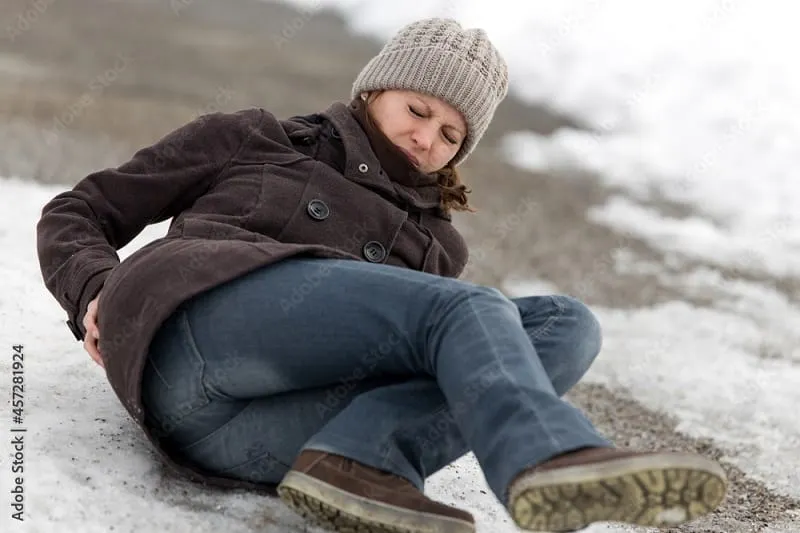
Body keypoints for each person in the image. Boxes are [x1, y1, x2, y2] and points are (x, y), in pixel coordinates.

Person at [36, 17, 727, 533]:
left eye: (451, 135)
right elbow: (78, 210)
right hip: (186, 340)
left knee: (568, 326)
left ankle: (356, 460)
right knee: (468, 310)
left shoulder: (438, 248)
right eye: (418, 110)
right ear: (374, 89)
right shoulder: (258, 137)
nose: (427, 138)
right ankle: (545, 456)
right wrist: (95, 286)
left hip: (254, 440)